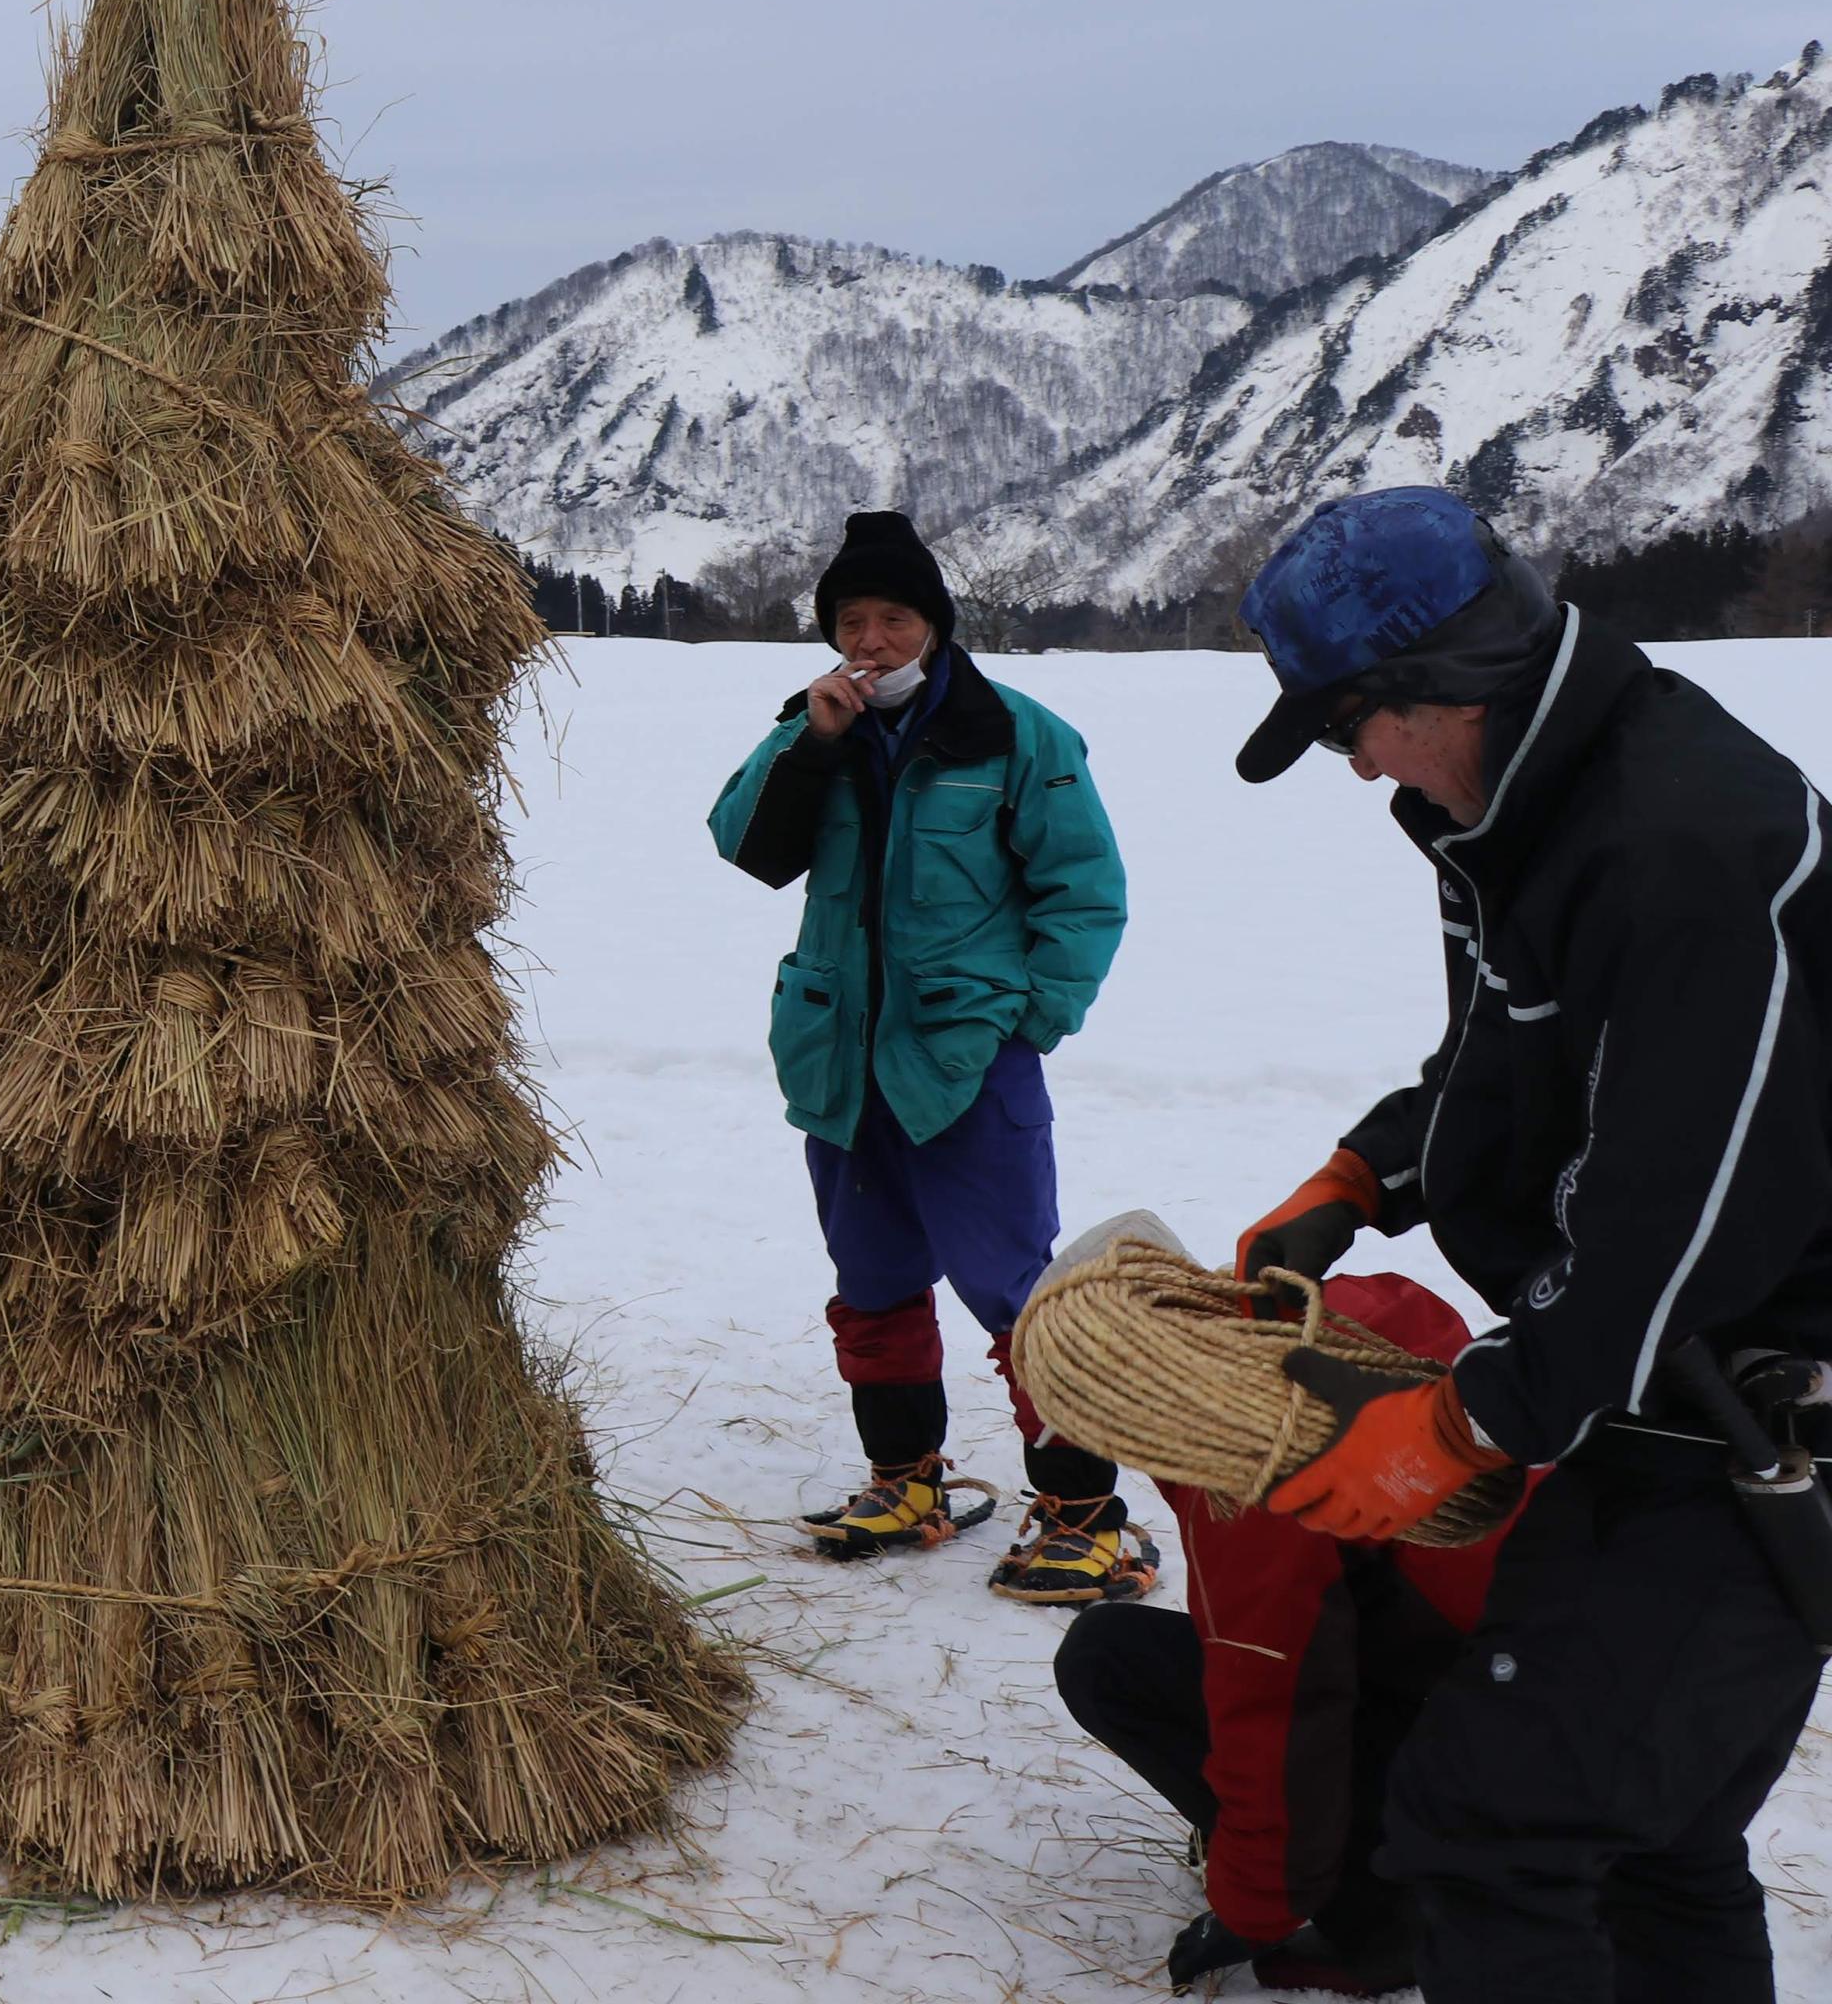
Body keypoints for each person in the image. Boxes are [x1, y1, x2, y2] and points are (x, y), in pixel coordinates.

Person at [1228, 484, 1832, 2002]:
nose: (1355, 765)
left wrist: (1470, 1415)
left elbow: (1685, 1210)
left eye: (1347, 726)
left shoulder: (1684, 839)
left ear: (1435, 691)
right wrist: (1372, 1168)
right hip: (1668, 1398)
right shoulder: (1519, 815)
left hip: (1759, 1429)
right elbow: (1527, 1063)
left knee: (1492, 1833)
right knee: (1653, 1841)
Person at [708, 510, 1148, 1602]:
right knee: (872, 1283)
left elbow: (1085, 891)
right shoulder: (816, 725)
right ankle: (906, 1482)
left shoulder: (1017, 734)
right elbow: (743, 843)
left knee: (1016, 1293)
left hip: (966, 1061)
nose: (871, 638)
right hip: (840, 1067)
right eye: (850, 619)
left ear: (935, 625)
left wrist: (1033, 1017)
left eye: (892, 616)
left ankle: (1086, 1515)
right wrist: (807, 742)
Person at [1054, 1270, 1516, 1997]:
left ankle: (1381, 1922)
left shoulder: (1245, 1461)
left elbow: (1276, 1704)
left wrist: (1254, 1905)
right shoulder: (1333, 1313)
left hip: (1515, 1736)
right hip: (1585, 1676)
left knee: (1106, 1659)